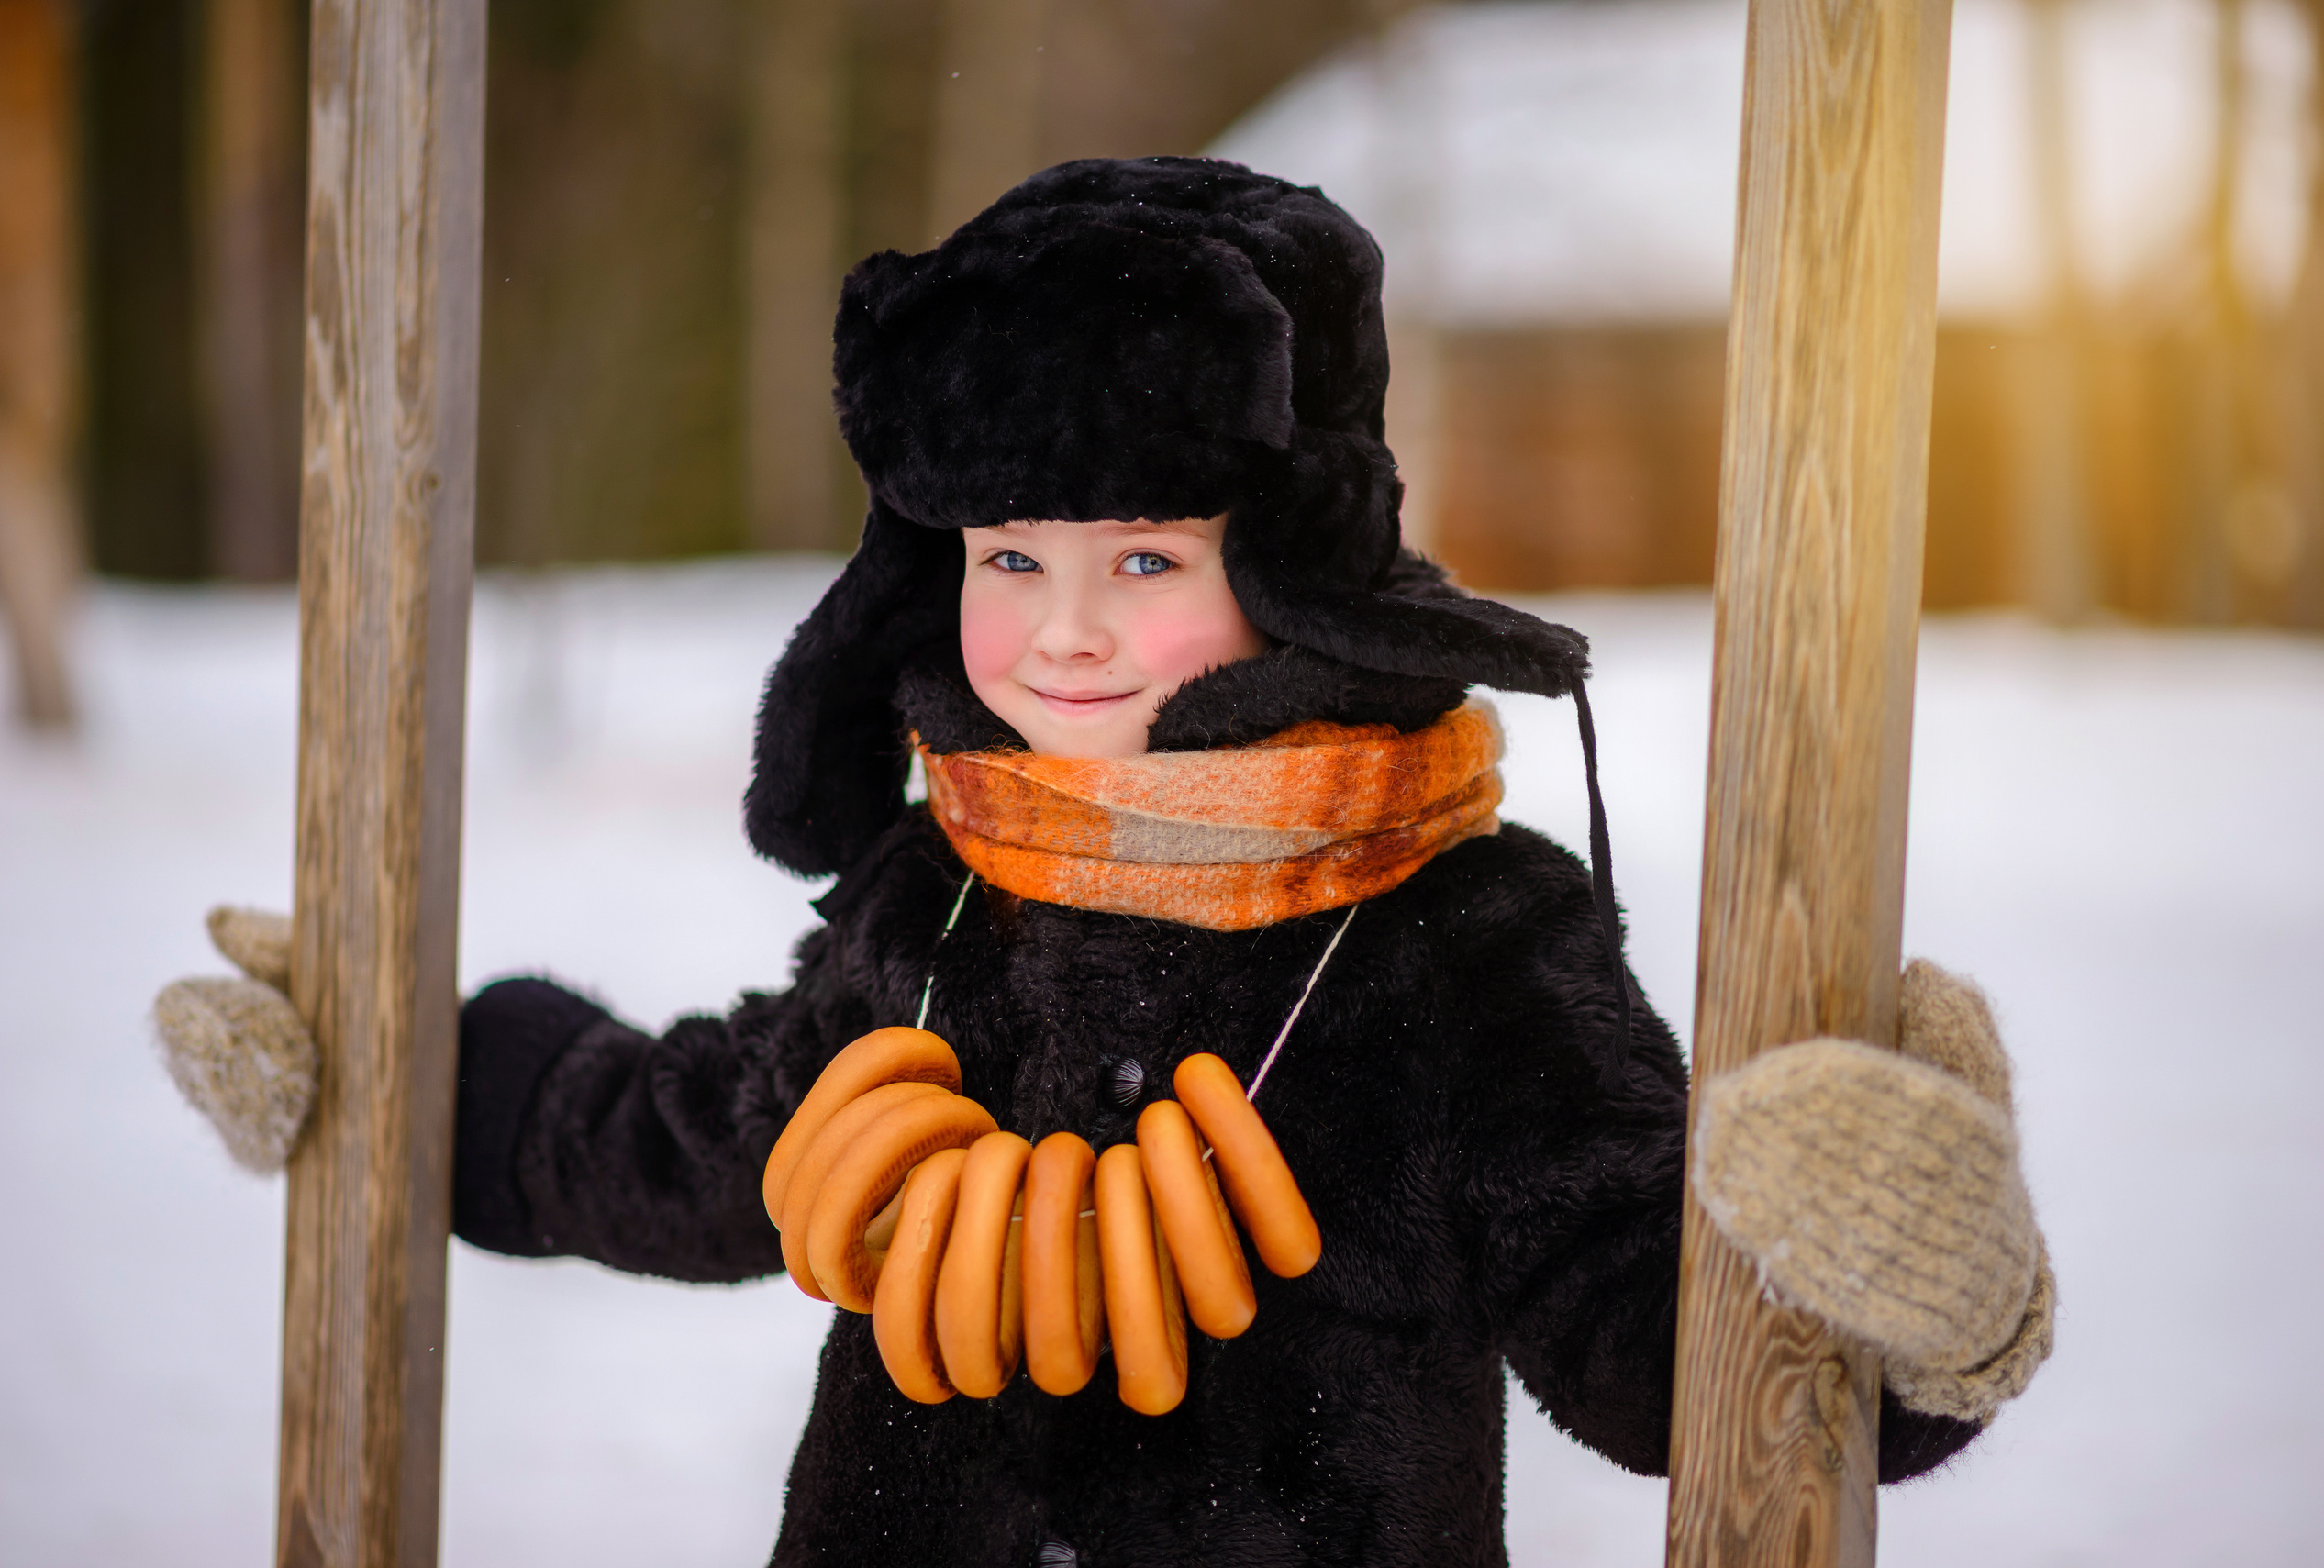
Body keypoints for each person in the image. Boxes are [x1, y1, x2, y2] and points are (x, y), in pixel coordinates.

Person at [157, 158, 2052, 1566]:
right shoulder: (945, 890)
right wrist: (394, 1079)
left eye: (1140, 560)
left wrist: (1901, 1317)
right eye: (1006, 558)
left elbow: (1652, 1333)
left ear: (1292, 561)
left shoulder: (1466, 939)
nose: (1058, 632)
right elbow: (691, 1133)